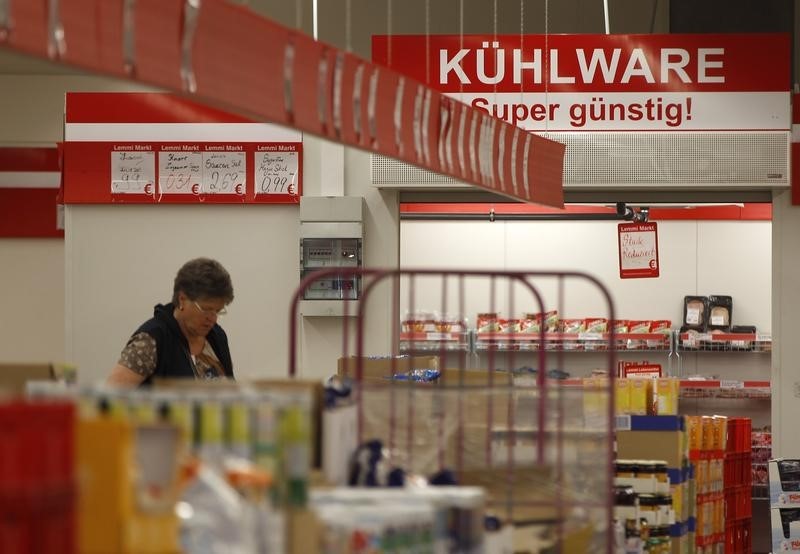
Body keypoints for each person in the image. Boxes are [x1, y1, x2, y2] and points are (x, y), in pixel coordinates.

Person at [106, 257, 235, 387]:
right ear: (182, 299)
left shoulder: (217, 336)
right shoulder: (151, 341)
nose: (213, 319)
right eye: (206, 309)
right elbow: (111, 396)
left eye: (218, 311)